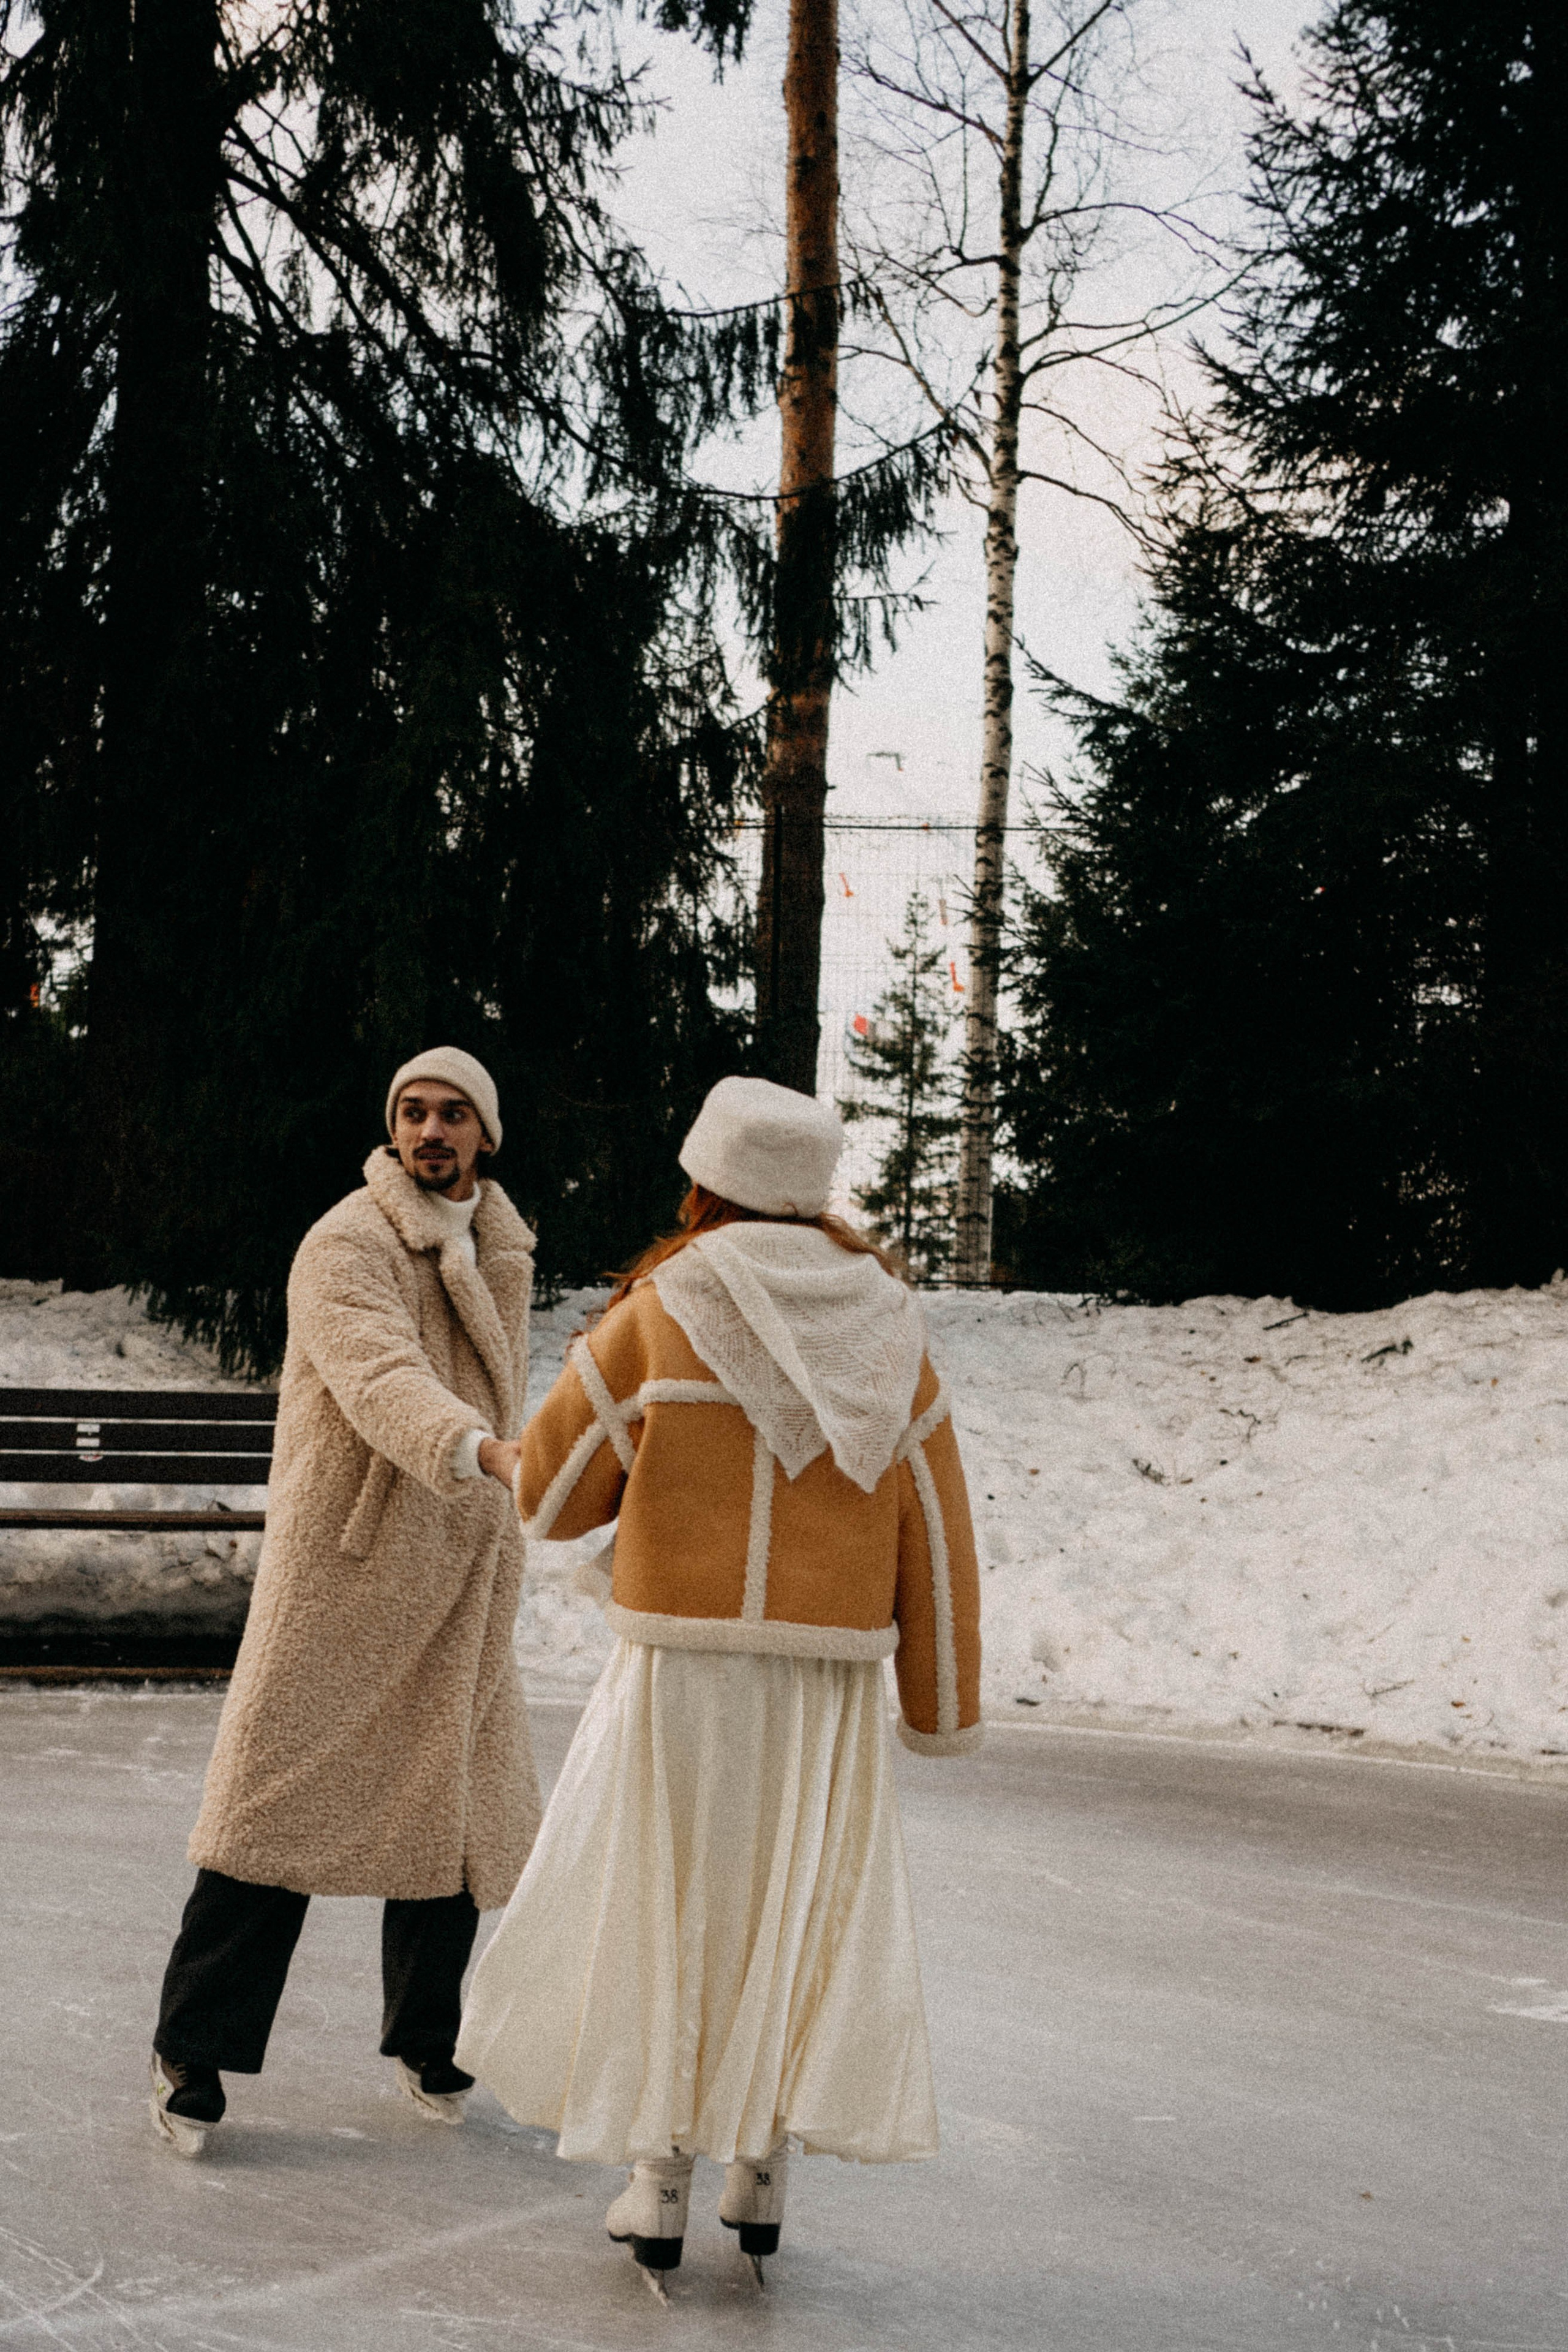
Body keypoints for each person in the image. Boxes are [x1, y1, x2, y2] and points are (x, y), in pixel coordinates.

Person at [456, 1074, 982, 2296]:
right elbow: (938, 1525)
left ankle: (657, 2179)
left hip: (679, 1670)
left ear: (706, 1179)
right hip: (823, 1691)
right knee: (786, 1915)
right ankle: (760, 2170)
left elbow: (548, 1495)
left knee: (667, 1910)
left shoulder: (662, 1307)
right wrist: (940, 1701)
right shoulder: (889, 1323)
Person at [149, 1047, 540, 2155]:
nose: (430, 1131)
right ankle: (191, 2047)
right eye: (413, 1111)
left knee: (449, 1806)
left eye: (453, 1114)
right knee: (274, 1807)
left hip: (459, 1564)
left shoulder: (502, 1246)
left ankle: (427, 2038)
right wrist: (482, 1452)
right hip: (350, 1570)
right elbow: (379, 1376)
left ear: (486, 1135)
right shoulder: (348, 1242)